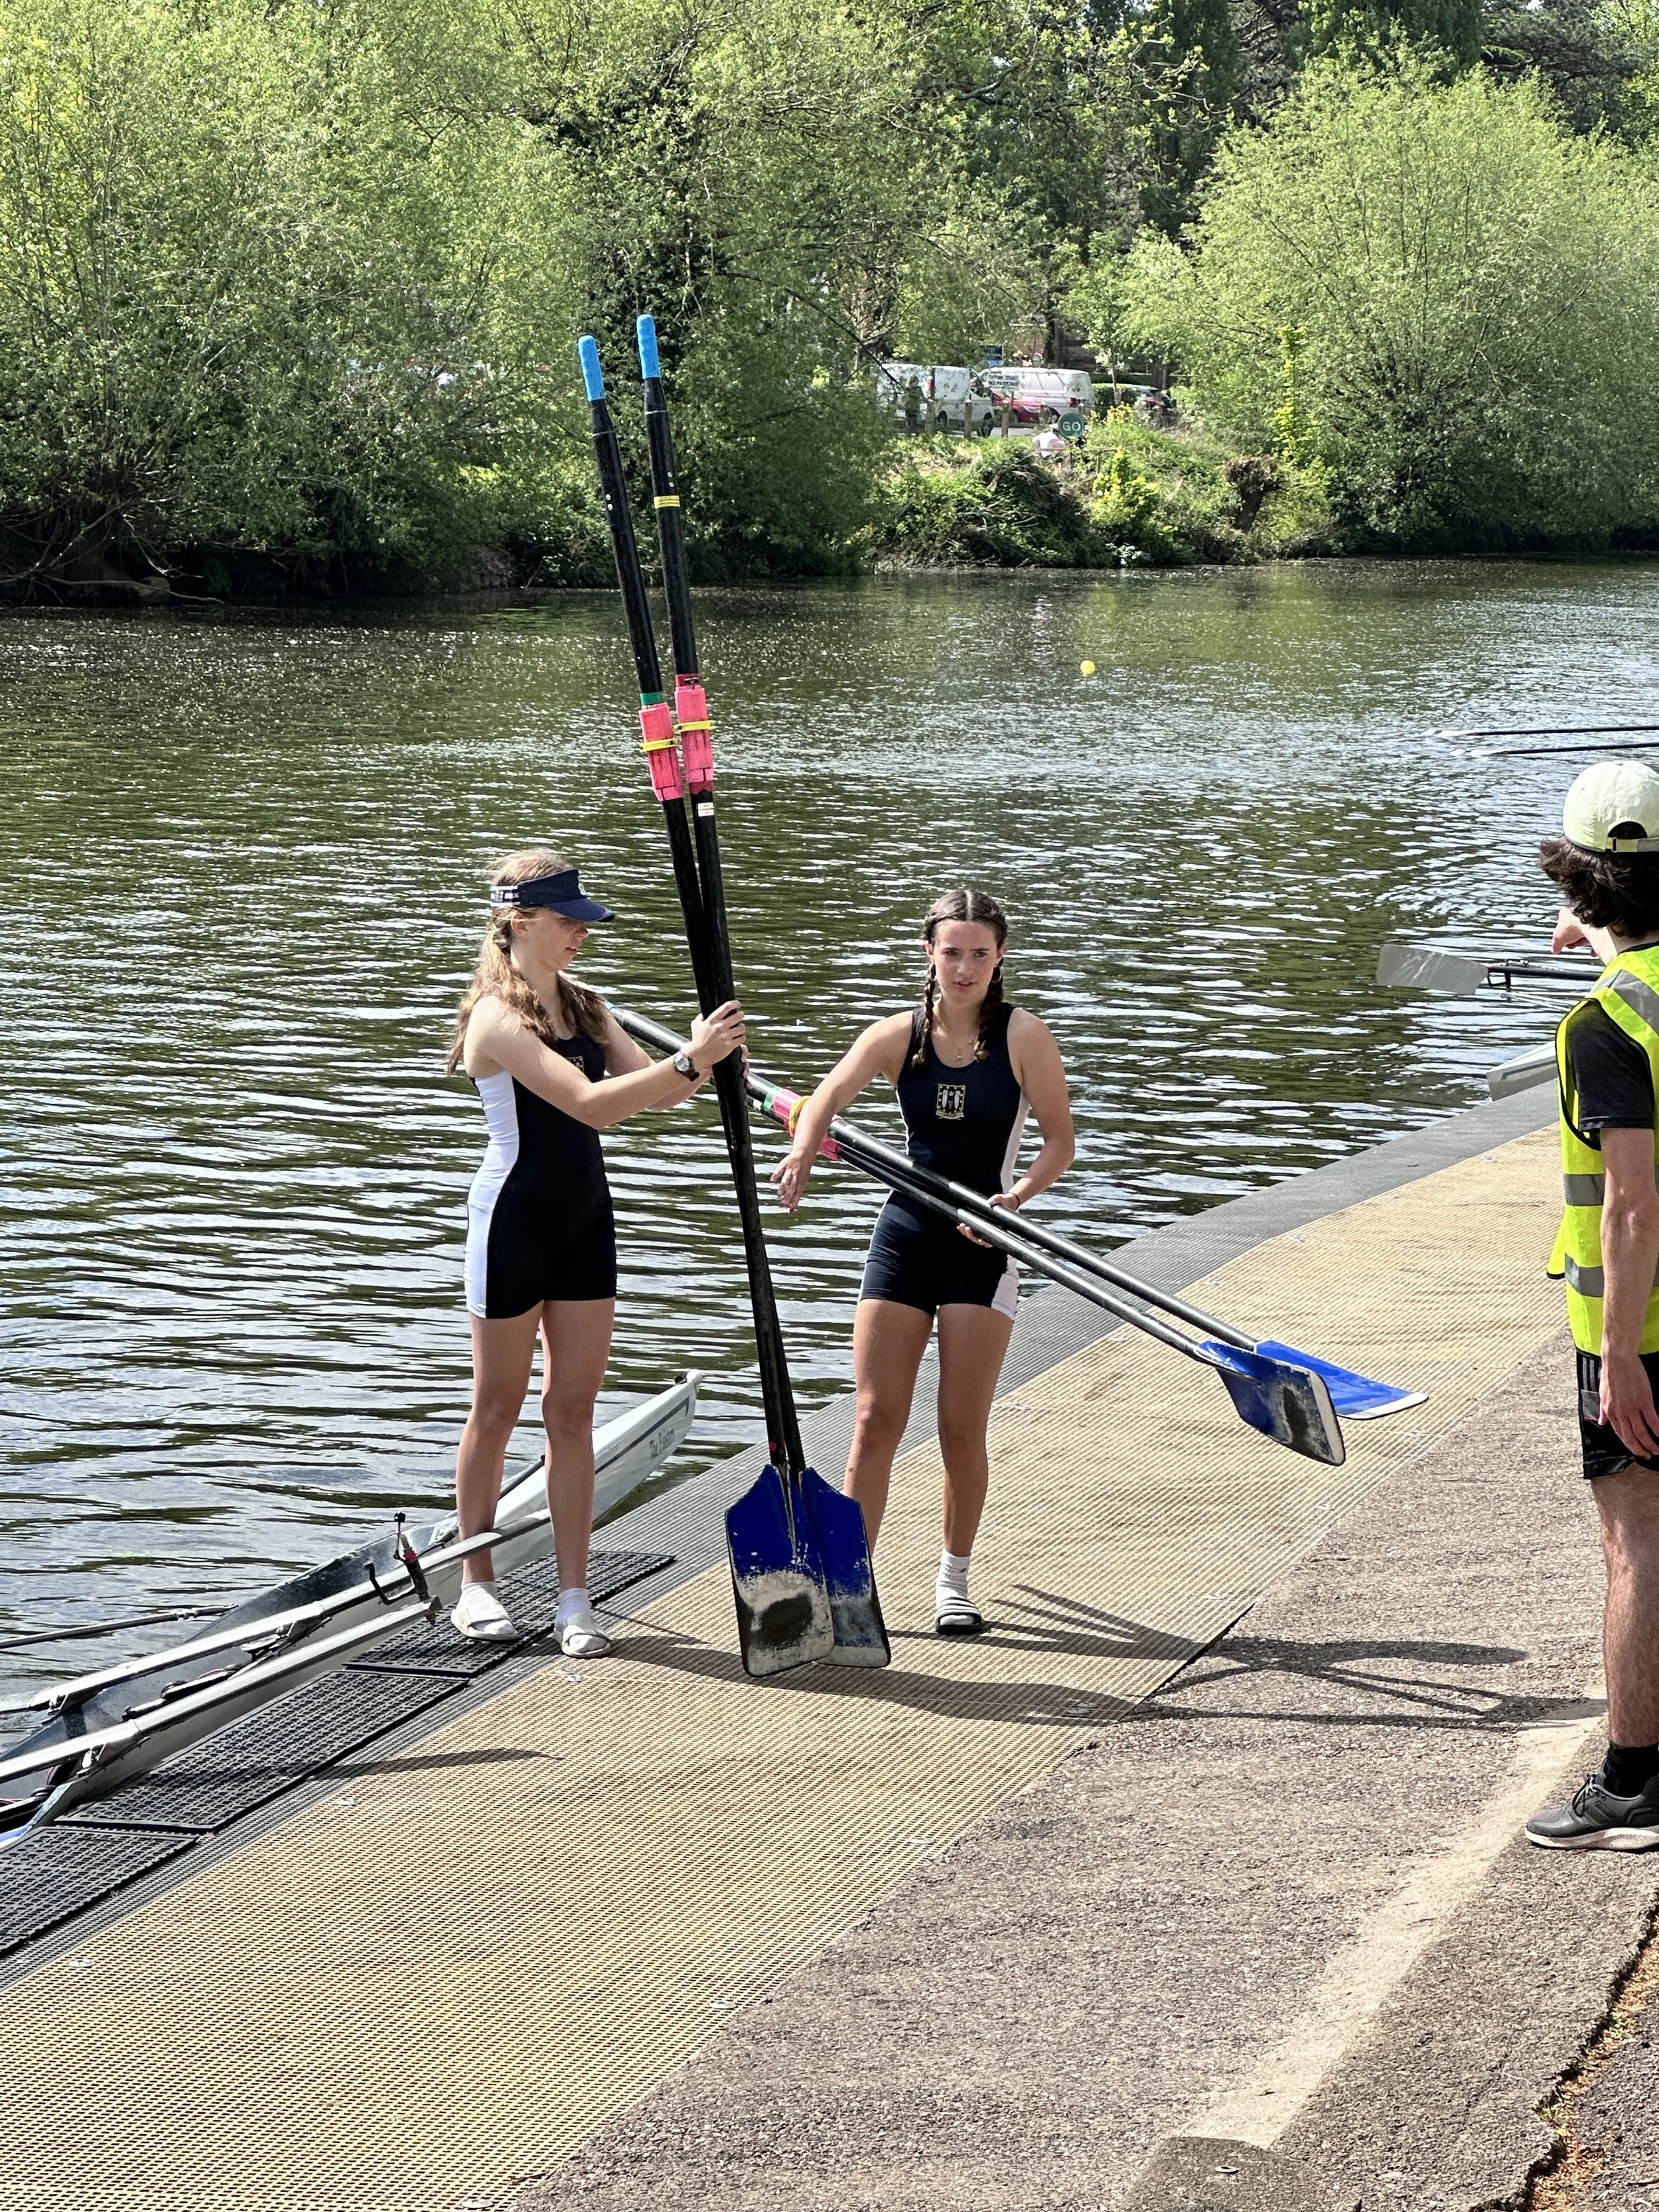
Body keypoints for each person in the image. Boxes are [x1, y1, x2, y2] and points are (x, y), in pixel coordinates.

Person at [446, 848, 745, 1655]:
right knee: (499, 1408)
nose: (582, 932)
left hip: (585, 1222)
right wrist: (693, 1059)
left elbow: (655, 1090)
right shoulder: (494, 1018)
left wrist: (699, 1056)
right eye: (568, 920)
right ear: (520, 922)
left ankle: (574, 1598)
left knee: (571, 1411)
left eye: (582, 920)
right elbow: (590, 1106)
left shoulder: (586, 1005)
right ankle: (476, 1587)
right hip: (510, 1223)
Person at [772, 889, 1074, 1634]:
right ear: (928, 955)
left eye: (978, 953)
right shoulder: (896, 1036)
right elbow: (824, 1100)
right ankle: (848, 1588)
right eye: (951, 952)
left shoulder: (1023, 1037)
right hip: (906, 1235)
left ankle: (953, 1582)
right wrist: (803, 1150)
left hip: (982, 1242)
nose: (964, 967)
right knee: (874, 1420)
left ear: (999, 957)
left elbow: (1061, 1144)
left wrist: (1018, 1199)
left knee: (958, 1429)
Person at [1527, 762, 1659, 1849]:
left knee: (1636, 1547)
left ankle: (1630, 1781)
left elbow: (1631, 1205)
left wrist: (1619, 1356)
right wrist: (1607, 933)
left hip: (1641, 1332)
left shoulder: (1604, 1027)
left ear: (1574, 877)